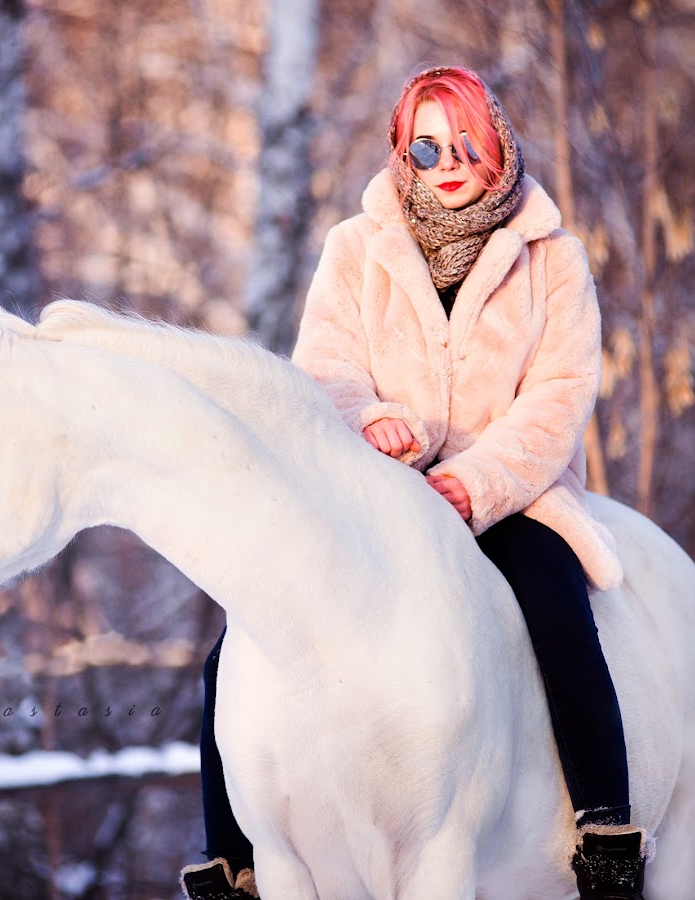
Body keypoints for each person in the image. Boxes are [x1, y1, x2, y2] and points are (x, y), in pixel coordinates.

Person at [180, 66, 648, 900]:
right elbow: (323, 369)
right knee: (237, 646)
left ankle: (605, 831)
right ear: (403, 151)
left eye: (467, 140)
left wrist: (474, 481)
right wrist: (369, 423)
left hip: (511, 494)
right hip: (380, 492)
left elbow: (557, 399)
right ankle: (234, 865)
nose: (449, 161)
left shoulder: (554, 258)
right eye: (427, 145)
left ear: (497, 143)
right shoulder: (355, 249)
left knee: (556, 608)